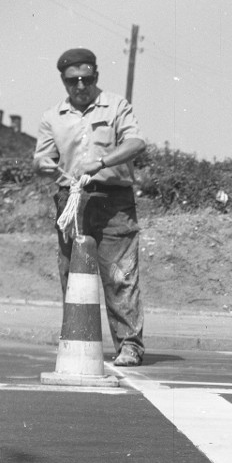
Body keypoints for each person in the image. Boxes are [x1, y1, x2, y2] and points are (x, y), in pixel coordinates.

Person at [33, 47, 146, 366]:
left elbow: (136, 142)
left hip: (114, 199)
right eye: (73, 81)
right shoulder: (51, 117)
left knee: (120, 274)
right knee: (71, 273)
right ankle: (76, 337)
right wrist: (44, 165)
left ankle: (129, 345)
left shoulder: (116, 106)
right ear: (63, 81)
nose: (80, 86)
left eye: (87, 79)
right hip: (72, 200)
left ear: (95, 76)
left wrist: (100, 162)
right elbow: (42, 158)